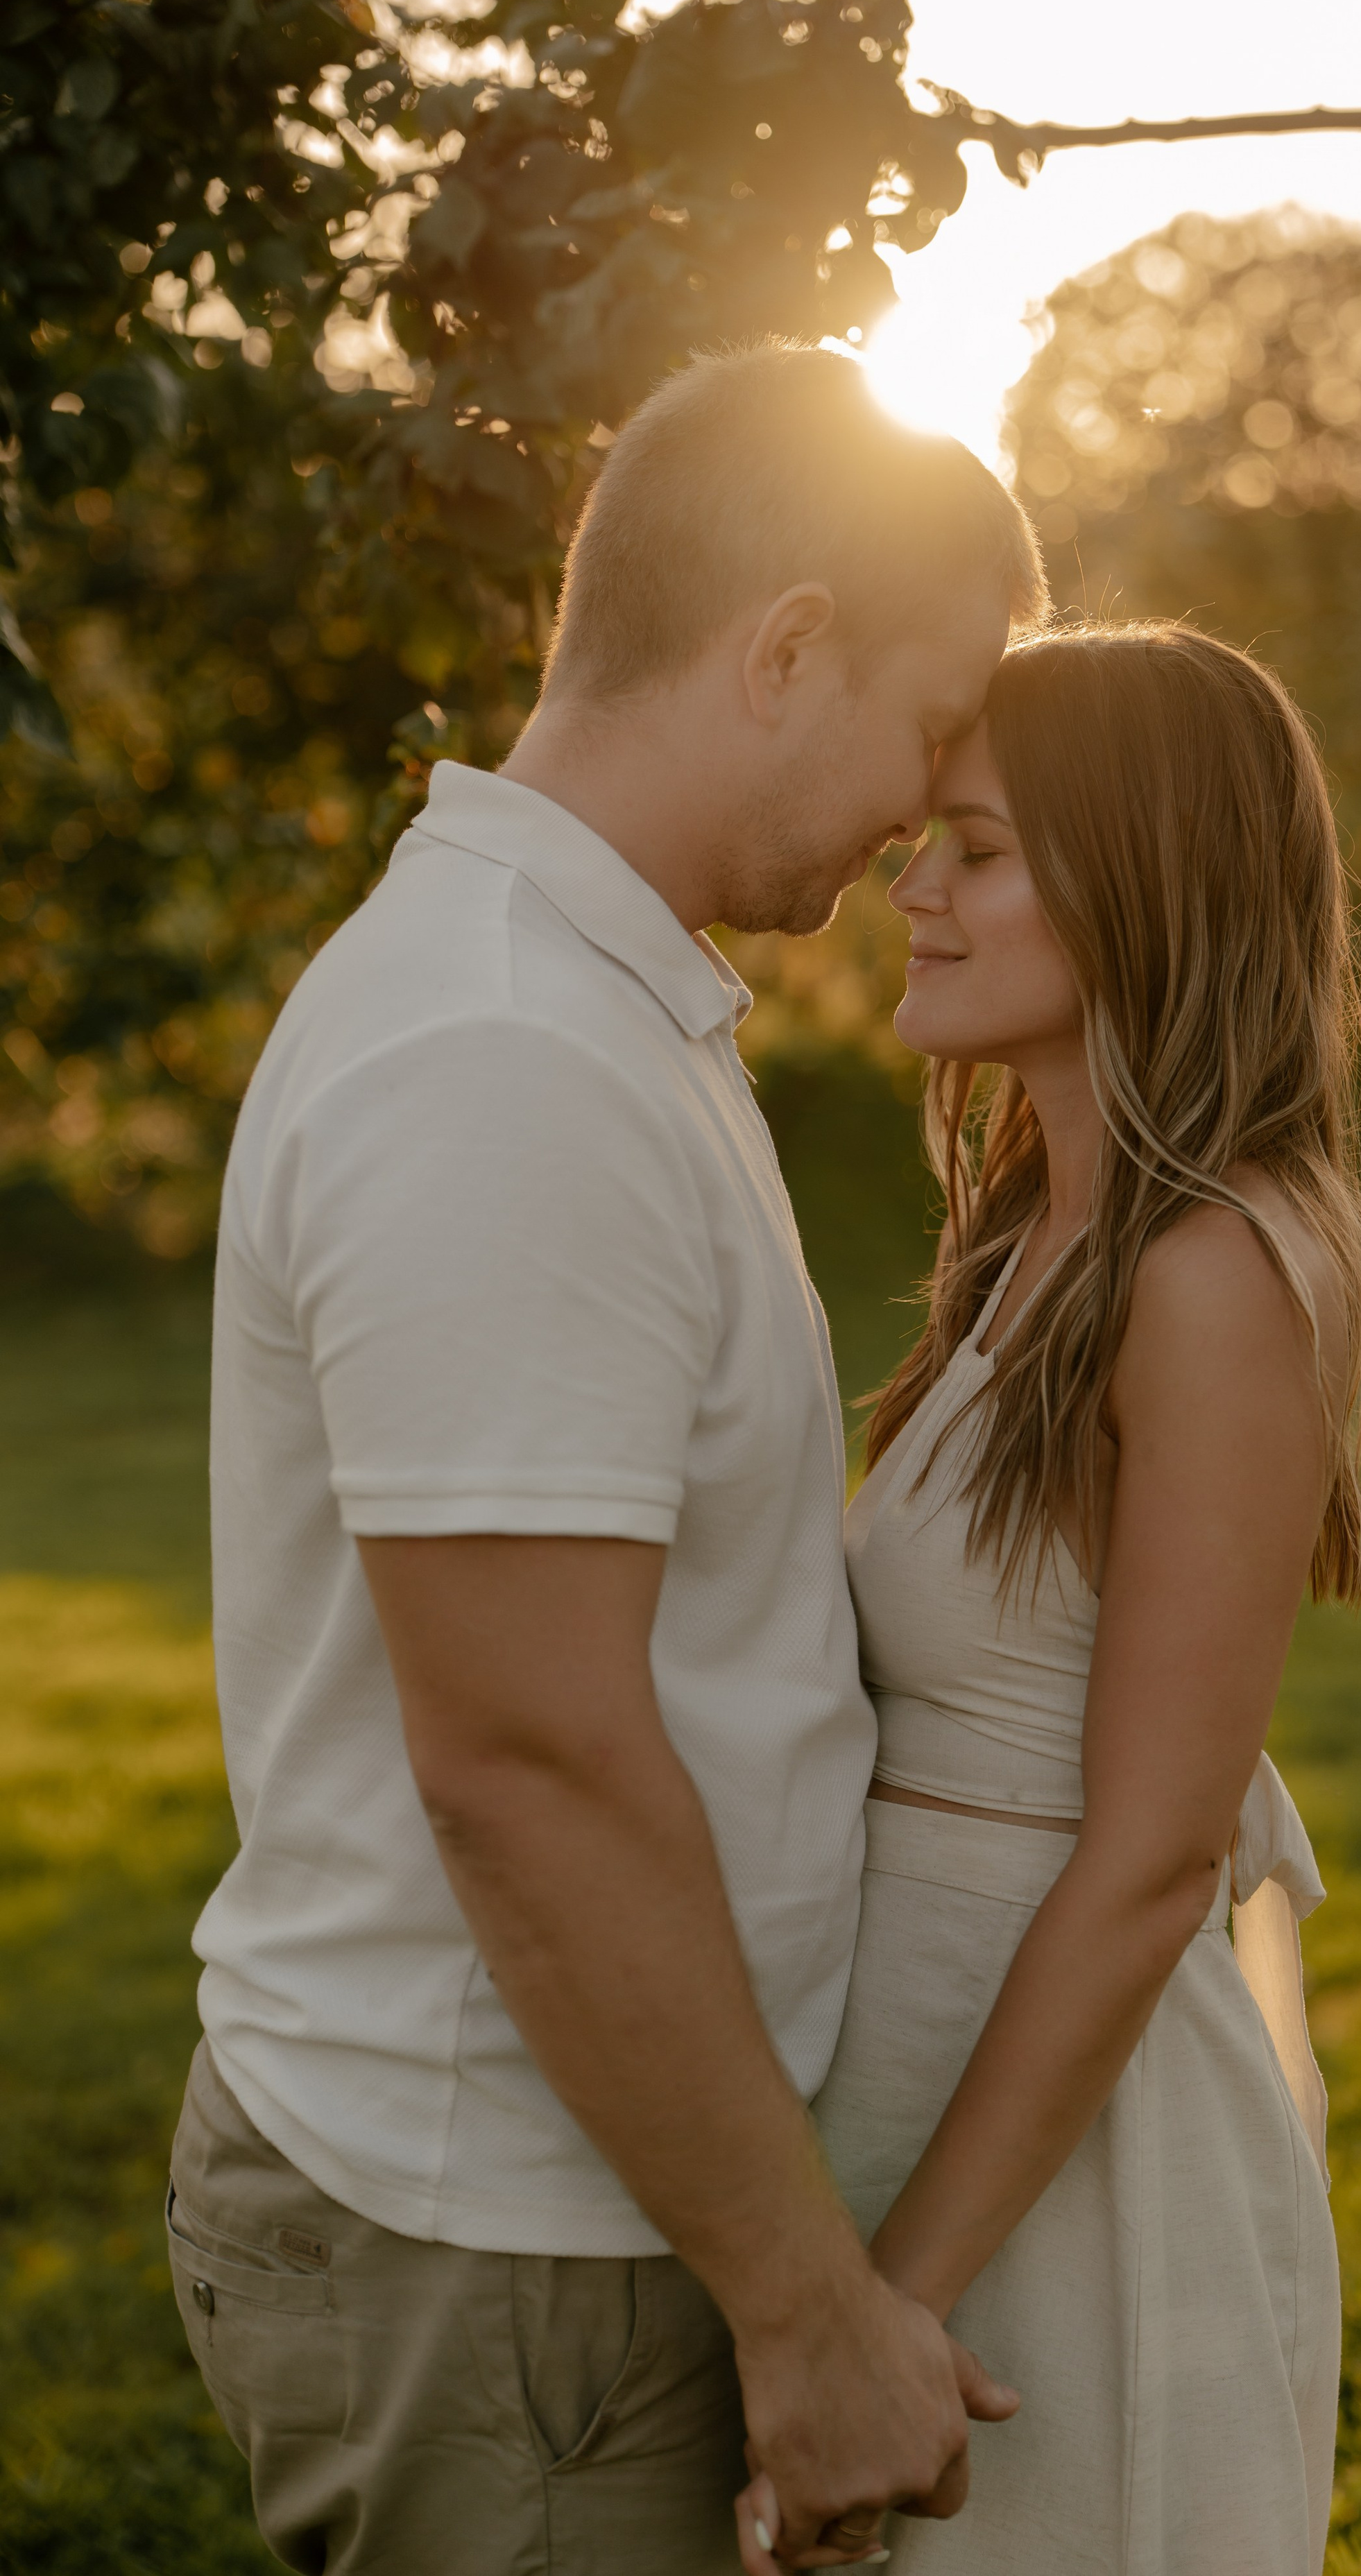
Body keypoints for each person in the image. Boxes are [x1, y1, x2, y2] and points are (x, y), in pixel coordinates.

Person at [166, 343, 1048, 2574]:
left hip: (573, 2201)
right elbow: (529, 1765)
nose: (929, 801)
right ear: (787, 648)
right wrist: (801, 2301)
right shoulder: (503, 1056)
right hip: (512, 2250)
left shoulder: (585, 1003)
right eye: (929, 724)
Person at [756, 621, 1361, 2576]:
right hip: (913, 2063)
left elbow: (1145, 1864)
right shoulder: (1032, 1239)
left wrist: (897, 2313)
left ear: (1143, 881)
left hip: (1060, 2165)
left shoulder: (1214, 1276)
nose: (914, 890)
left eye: (978, 848)